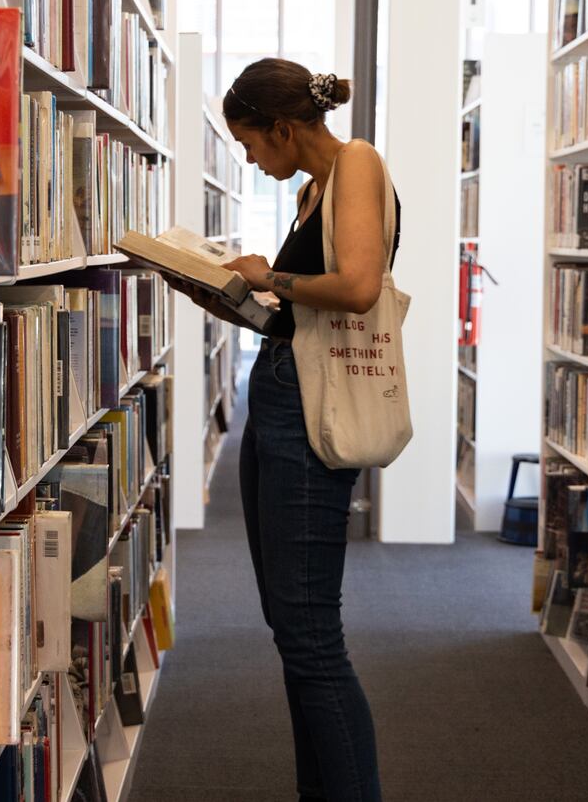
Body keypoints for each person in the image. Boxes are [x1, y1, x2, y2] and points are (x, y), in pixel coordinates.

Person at [177, 57, 400, 802]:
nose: (245, 157)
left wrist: (267, 275)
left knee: (310, 637)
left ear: (280, 127)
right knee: (290, 627)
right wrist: (222, 292)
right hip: (279, 394)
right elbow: (301, 314)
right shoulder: (312, 191)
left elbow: (360, 289)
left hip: (308, 411)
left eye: (248, 142)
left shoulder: (357, 164)